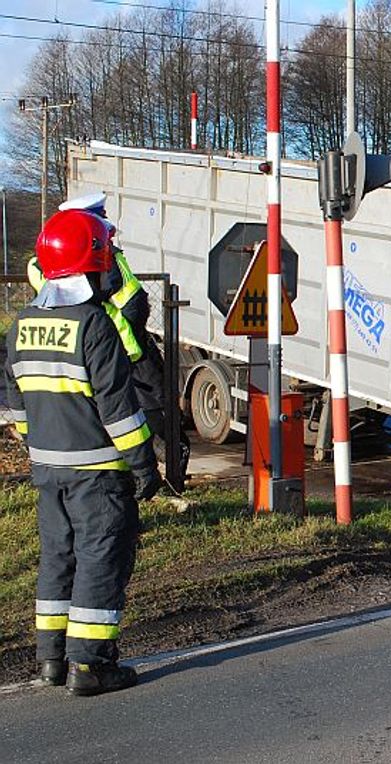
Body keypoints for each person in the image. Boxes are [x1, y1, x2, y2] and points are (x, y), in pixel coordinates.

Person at [4, 209, 162, 696]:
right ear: (91, 264)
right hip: (99, 473)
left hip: (48, 470)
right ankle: (90, 666)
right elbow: (120, 411)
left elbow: (15, 405)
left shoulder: (22, 323)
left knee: (58, 558)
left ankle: (52, 659)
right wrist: (145, 466)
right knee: (99, 560)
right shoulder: (94, 324)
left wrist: (42, 445)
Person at [27, 192, 189, 482]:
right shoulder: (107, 257)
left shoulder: (39, 266)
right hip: (125, 350)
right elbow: (133, 303)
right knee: (146, 414)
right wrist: (129, 341)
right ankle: (161, 475)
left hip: (71, 349)